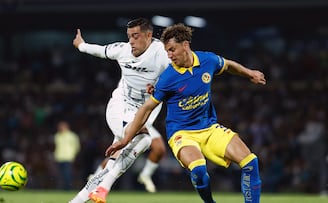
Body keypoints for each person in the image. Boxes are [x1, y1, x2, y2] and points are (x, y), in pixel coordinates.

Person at [106, 23, 266, 203]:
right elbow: (145, 108)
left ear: (186, 45)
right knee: (199, 171)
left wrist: (250, 73)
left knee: (251, 162)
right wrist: (126, 139)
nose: (170, 55)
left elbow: (228, 65)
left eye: (172, 49)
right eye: (167, 51)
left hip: (209, 128)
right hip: (182, 133)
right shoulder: (168, 77)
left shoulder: (208, 61)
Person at [69, 18, 170, 203]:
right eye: (129, 36)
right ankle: (103, 189)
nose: (131, 41)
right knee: (145, 139)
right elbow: (100, 51)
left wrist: (164, 88)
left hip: (142, 116)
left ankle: (78, 200)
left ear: (149, 35)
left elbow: (182, 75)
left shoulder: (162, 54)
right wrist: (81, 45)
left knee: (112, 163)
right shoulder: (123, 50)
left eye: (135, 36)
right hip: (119, 108)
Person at [54, 121, 81, 190]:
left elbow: (77, 146)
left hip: (68, 157)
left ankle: (68, 188)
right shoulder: (57, 136)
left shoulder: (72, 136)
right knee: (60, 175)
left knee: (67, 174)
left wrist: (73, 155)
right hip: (59, 157)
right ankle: (61, 188)